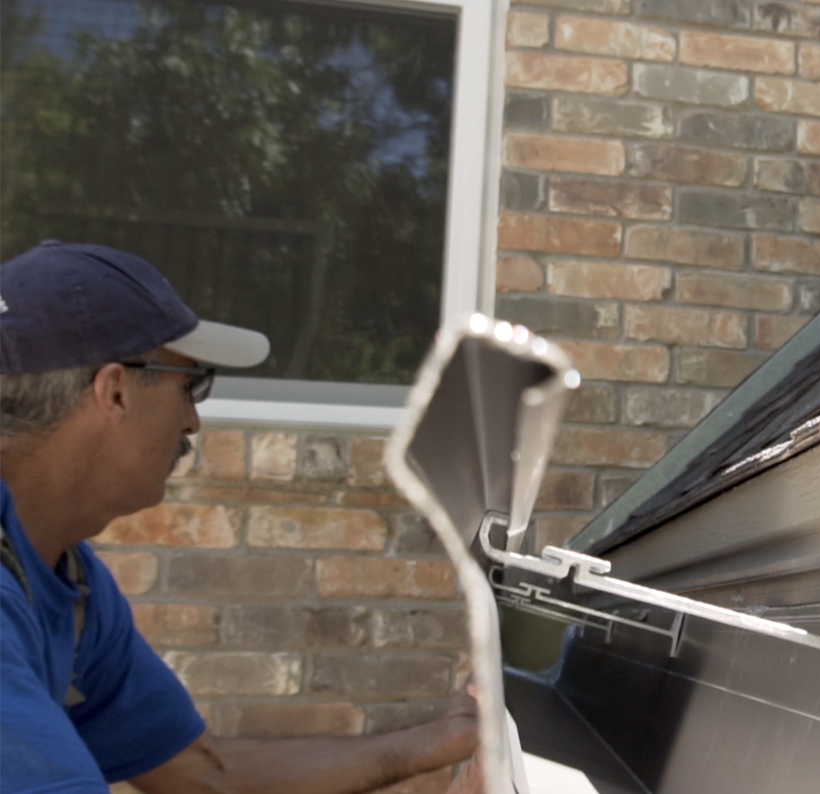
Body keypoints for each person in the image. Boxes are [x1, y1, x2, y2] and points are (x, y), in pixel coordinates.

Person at [0, 242, 480, 794]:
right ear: (114, 392)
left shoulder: (64, 575)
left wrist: (439, 742)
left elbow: (203, 776)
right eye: (190, 385)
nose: (192, 422)